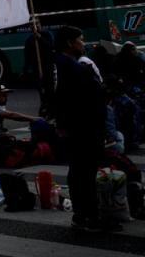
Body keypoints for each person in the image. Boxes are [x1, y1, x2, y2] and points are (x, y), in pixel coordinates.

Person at [55, 25, 112, 232]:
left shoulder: (68, 64)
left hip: (83, 127)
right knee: (83, 173)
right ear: (70, 43)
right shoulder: (66, 66)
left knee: (83, 172)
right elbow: (64, 98)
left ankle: (86, 214)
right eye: (81, 39)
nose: (84, 43)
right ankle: (87, 216)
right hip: (81, 129)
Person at [23, 20, 57, 118]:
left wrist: (39, 36)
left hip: (48, 68)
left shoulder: (47, 35)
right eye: (31, 25)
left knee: (50, 92)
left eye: (36, 24)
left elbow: (50, 47)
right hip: (37, 69)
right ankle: (44, 113)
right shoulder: (29, 40)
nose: (34, 26)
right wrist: (25, 71)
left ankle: (52, 113)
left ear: (40, 24)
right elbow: (27, 57)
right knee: (42, 93)